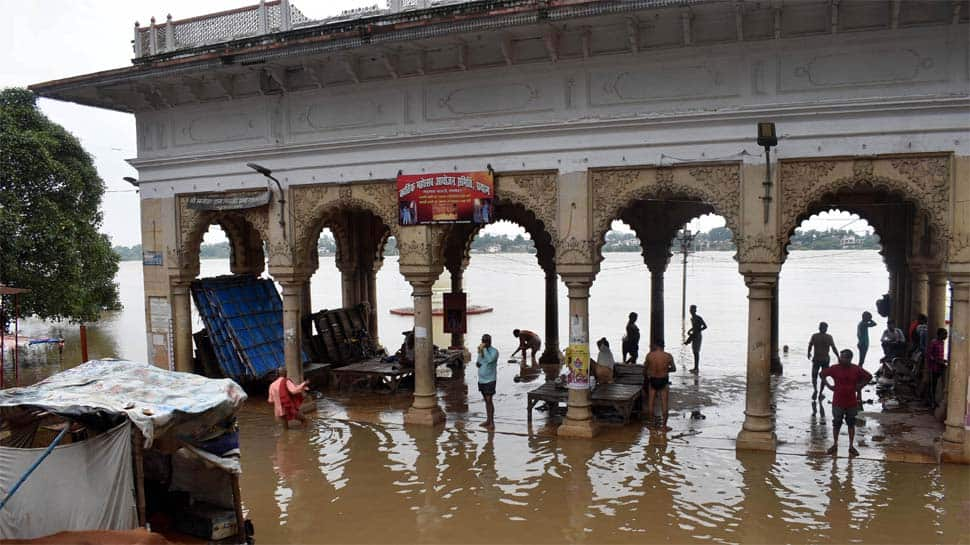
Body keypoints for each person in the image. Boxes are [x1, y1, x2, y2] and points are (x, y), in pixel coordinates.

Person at [820, 349, 872, 457]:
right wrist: (829, 386)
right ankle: (835, 444)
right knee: (836, 423)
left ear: (849, 359)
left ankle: (851, 446)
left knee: (851, 424)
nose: (841, 359)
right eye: (841, 356)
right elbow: (822, 374)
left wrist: (860, 386)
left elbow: (869, 377)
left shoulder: (855, 369)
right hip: (838, 401)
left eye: (843, 357)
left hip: (851, 402)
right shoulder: (835, 368)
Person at [644, 340, 675, 431]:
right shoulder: (668, 356)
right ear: (663, 346)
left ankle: (652, 425)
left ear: (655, 345)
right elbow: (674, 369)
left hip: (653, 380)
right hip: (663, 380)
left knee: (651, 403)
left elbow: (645, 369)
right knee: (664, 404)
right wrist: (666, 370)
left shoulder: (649, 355)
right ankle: (664, 426)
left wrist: (648, 374)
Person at [807, 322, 839, 400]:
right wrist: (838, 356)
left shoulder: (815, 336)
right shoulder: (829, 337)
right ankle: (821, 393)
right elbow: (833, 348)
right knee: (823, 377)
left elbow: (810, 345)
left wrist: (808, 353)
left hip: (816, 359)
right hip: (825, 360)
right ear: (826, 328)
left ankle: (815, 390)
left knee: (814, 376)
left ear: (819, 328)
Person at [476, 333, 499, 429]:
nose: (484, 342)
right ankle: (488, 420)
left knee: (489, 400)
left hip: (490, 380)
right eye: (483, 340)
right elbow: (478, 363)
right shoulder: (482, 351)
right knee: (486, 400)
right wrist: (480, 353)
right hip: (481, 380)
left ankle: (492, 422)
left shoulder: (494, 352)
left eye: (486, 341)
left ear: (490, 341)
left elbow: (490, 360)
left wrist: (484, 349)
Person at [925, 328, 948, 408]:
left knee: (938, 385)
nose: (946, 336)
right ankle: (931, 402)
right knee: (933, 385)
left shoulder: (942, 342)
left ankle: (935, 400)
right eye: (944, 334)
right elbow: (929, 355)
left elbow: (940, 355)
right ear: (939, 335)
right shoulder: (934, 342)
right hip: (934, 367)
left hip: (940, 367)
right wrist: (936, 361)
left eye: (946, 334)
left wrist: (943, 360)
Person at [684, 305, 707, 374]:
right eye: (690, 310)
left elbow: (705, 326)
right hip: (694, 335)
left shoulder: (698, 318)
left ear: (695, 311)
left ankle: (696, 368)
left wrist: (698, 330)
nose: (691, 311)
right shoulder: (692, 318)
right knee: (694, 352)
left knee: (696, 352)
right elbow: (694, 327)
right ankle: (695, 367)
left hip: (697, 336)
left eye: (693, 310)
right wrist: (690, 330)